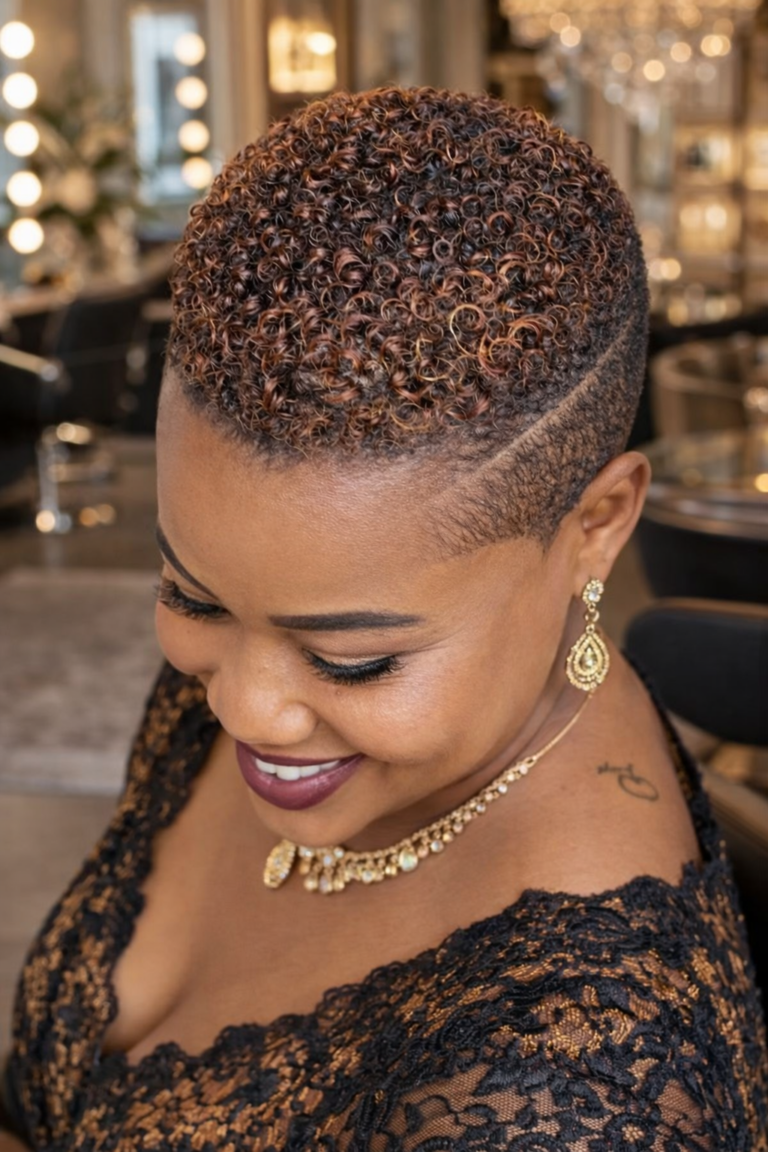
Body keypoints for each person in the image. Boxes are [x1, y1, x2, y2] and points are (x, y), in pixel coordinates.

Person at [2, 86, 766, 1150]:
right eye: (189, 594)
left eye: (351, 659)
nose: (245, 707)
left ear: (595, 526)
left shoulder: (565, 1096)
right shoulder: (254, 675)